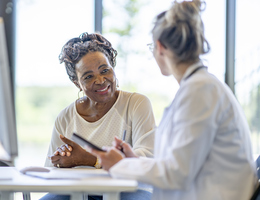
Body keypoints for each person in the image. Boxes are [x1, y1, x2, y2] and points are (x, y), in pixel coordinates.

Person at [86, 1, 258, 200]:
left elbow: (177, 173)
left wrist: (121, 165)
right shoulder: (199, 88)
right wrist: (132, 160)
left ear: (160, 47)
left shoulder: (200, 91)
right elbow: (178, 163)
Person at [41, 32, 155, 200]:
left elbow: (147, 159)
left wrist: (88, 159)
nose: (101, 80)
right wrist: (62, 161)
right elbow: (49, 171)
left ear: (113, 68)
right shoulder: (65, 117)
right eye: (88, 76)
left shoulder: (136, 104)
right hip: (80, 193)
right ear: (76, 82)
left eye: (105, 70)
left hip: (128, 191)